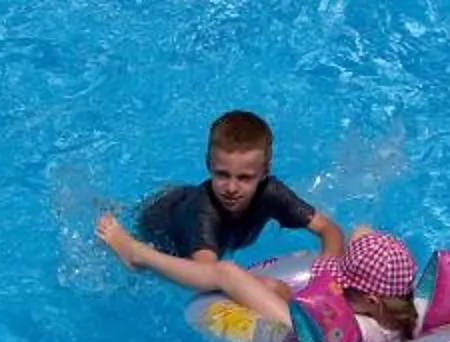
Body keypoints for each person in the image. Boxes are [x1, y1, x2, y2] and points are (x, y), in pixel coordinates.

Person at [95, 110, 343, 295]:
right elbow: (210, 275)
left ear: (264, 172)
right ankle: (133, 250)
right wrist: (267, 286)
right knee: (136, 255)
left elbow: (328, 229)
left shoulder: (271, 192)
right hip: (161, 218)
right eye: (222, 175)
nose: (232, 188)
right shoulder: (204, 213)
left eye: (245, 178)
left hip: (181, 200)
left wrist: (326, 274)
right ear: (208, 165)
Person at [215, 227, 419, 342]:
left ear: (371, 302)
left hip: (301, 330)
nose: (335, 287)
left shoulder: (354, 330)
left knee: (229, 274)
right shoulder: (410, 309)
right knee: (361, 230)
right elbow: (363, 233)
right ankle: (282, 292)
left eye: (343, 287)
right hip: (377, 325)